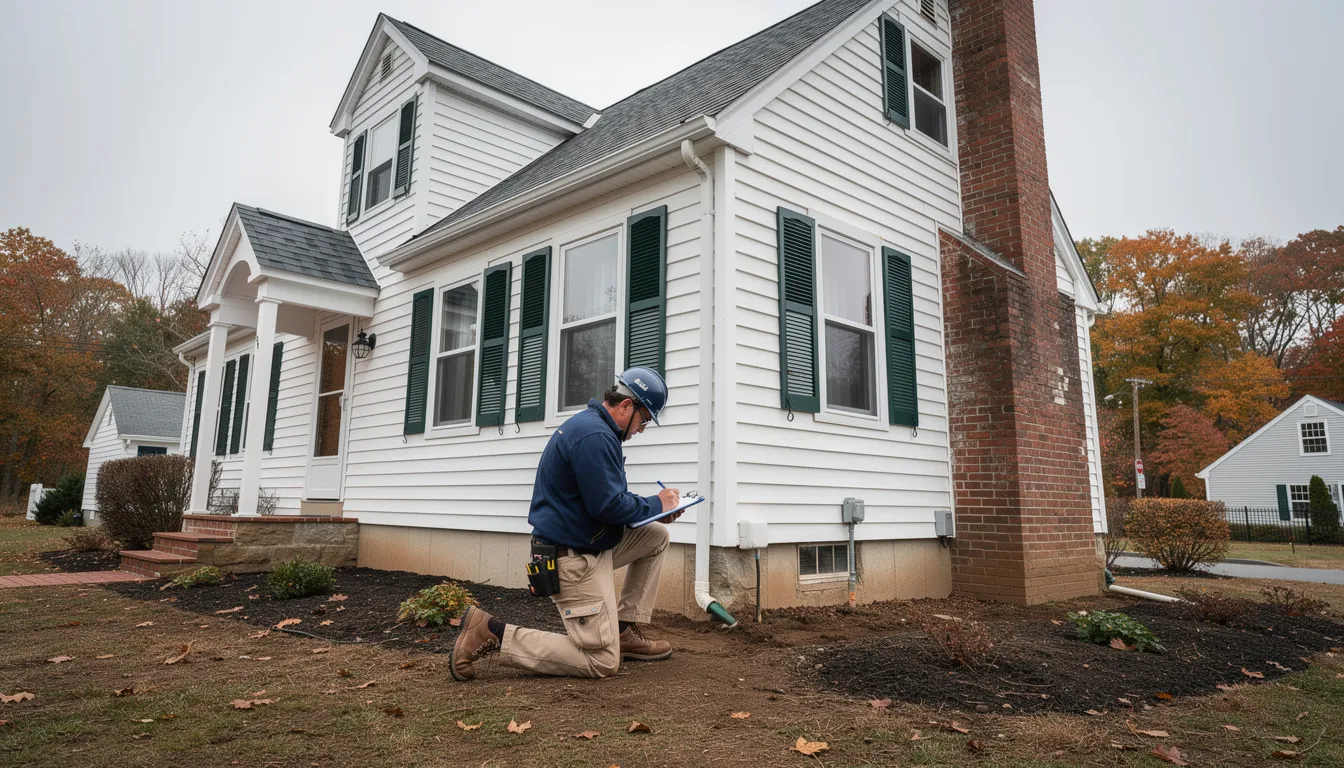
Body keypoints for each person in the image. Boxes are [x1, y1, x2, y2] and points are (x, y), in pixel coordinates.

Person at [449, 366, 682, 680]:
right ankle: (491, 632)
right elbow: (608, 505)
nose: (642, 429)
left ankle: (622, 631)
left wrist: (656, 512)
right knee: (602, 662)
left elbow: (606, 501)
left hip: (589, 541)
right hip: (572, 558)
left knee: (655, 535)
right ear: (627, 406)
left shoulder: (595, 429)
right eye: (643, 420)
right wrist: (657, 502)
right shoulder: (594, 436)